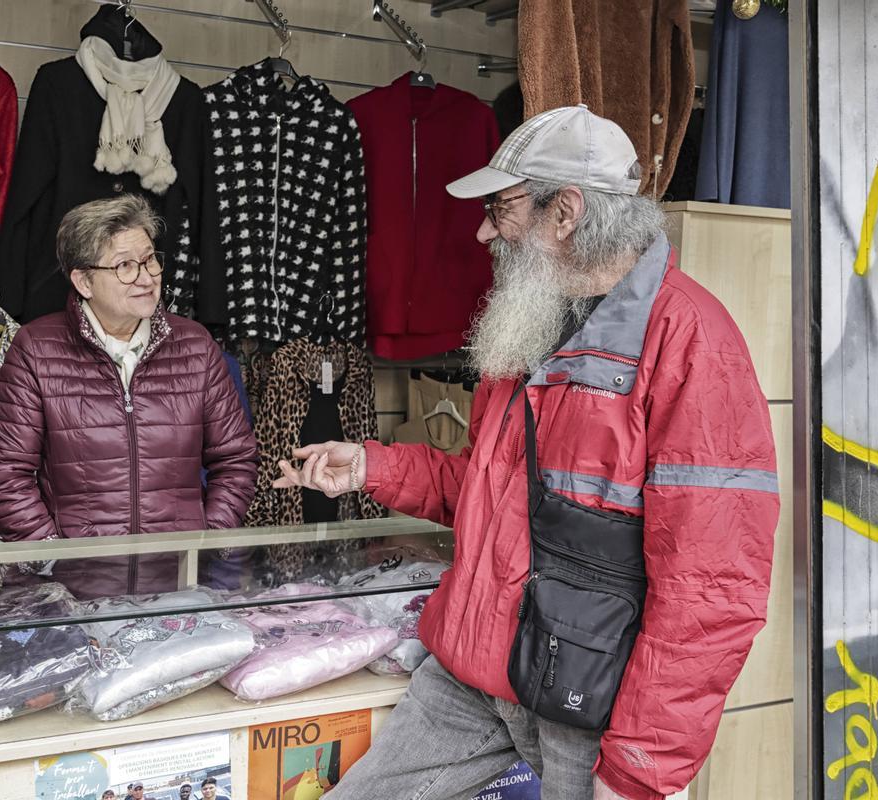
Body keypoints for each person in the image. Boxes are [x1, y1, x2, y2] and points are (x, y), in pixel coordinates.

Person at [276, 106, 779, 800]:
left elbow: (713, 588)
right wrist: (374, 467)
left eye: (501, 208)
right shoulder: (534, 322)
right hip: (473, 672)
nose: (484, 230)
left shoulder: (693, 345)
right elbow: (501, 496)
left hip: (587, 704)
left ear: (566, 211)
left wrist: (637, 772)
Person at [0, 195, 258, 596]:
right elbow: (2, 470)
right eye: (125, 266)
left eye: (150, 260)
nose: (146, 278)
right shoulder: (38, 348)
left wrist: (206, 542)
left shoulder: (195, 346)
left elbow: (235, 459)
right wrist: (49, 557)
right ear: (83, 281)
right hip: (72, 594)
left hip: (176, 588)